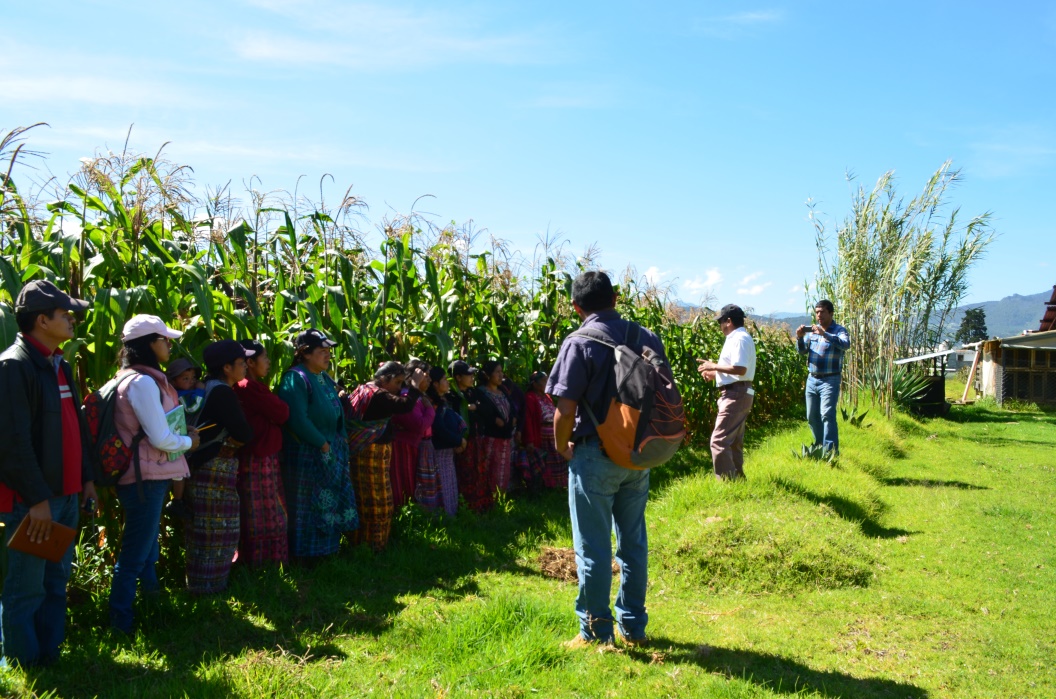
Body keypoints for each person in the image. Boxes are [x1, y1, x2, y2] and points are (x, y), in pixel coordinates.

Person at [546, 270, 664, 649]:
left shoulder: (579, 341)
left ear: (576, 307)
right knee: (633, 545)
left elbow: (565, 408)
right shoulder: (645, 336)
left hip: (594, 454)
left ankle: (596, 632)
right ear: (615, 298)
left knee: (592, 548)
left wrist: (562, 446)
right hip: (637, 454)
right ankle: (634, 626)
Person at [0, 281, 98, 666]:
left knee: (55, 582)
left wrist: (87, 480)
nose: (71, 320)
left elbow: (76, 427)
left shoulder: (58, 363)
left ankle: (49, 657)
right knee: (26, 587)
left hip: (67, 495)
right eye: (64, 314)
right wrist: (37, 500)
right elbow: (12, 443)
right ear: (42, 320)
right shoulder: (15, 366)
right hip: (36, 503)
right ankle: (24, 666)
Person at [107, 314, 197, 634]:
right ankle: (122, 624)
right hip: (146, 477)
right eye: (164, 339)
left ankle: (152, 610)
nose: (169, 344)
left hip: (143, 476)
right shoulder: (143, 383)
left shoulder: (125, 378)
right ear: (149, 344)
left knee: (146, 552)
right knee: (135, 554)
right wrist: (190, 441)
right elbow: (160, 438)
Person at [277, 329, 358, 563]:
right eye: (322, 351)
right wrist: (322, 444)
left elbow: (336, 408)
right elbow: (298, 419)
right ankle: (306, 556)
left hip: (330, 450)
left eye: (328, 351)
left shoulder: (322, 377)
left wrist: (340, 437)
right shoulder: (295, 378)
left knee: (330, 500)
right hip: (308, 452)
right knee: (309, 504)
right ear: (305, 353)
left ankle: (327, 550)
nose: (328, 356)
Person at [185, 340, 255, 594]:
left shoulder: (208, 388)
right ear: (226, 367)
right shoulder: (223, 392)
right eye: (241, 363)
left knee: (205, 530)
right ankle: (209, 588)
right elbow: (244, 432)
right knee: (217, 530)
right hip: (213, 468)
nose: (246, 366)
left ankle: (202, 586)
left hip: (201, 466)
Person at [346, 361, 427, 552]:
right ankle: (374, 546)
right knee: (378, 501)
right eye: (398, 383)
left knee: (364, 497)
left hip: (364, 452)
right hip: (373, 452)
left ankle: (360, 542)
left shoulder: (364, 388)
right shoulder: (378, 394)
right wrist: (414, 386)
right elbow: (405, 406)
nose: (399, 388)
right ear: (384, 379)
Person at [233, 340, 290, 567]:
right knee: (265, 513)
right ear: (250, 362)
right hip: (258, 457)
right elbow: (283, 412)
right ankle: (265, 563)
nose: (268, 362)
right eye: (264, 357)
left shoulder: (251, 386)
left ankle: (262, 563)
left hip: (262, 453)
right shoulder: (249, 387)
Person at [698, 304, 756, 480]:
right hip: (739, 391)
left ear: (728, 321)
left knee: (719, 440)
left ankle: (727, 482)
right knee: (734, 442)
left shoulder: (739, 338)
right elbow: (737, 372)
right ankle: (738, 479)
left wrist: (712, 365)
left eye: (721, 322)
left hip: (735, 394)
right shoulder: (738, 338)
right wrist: (715, 374)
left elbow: (740, 369)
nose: (720, 327)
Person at [796, 299, 851, 454]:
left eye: (822, 312)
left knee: (827, 414)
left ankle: (831, 451)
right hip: (812, 379)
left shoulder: (839, 330)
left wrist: (825, 334)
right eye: (817, 312)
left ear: (831, 313)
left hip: (830, 379)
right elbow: (802, 351)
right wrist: (800, 338)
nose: (819, 315)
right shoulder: (812, 331)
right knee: (811, 416)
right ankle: (819, 445)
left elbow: (845, 345)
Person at [389, 359, 434, 509]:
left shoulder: (418, 397)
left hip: (411, 446)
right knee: (404, 482)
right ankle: (404, 514)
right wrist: (430, 410)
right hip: (403, 447)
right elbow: (419, 425)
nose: (429, 379)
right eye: (425, 376)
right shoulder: (407, 396)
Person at [422, 366, 467, 516]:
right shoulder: (430, 403)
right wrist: (459, 440)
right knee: (442, 484)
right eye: (444, 380)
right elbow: (438, 429)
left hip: (447, 452)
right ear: (435, 384)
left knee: (449, 484)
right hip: (438, 452)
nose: (448, 382)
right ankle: (443, 517)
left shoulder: (442, 401)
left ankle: (451, 516)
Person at [163, 357, 204, 519]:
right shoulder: (179, 396)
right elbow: (193, 407)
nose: (191, 382)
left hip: (181, 436)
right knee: (179, 470)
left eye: (193, 378)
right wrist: (200, 391)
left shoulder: (182, 392)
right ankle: (177, 501)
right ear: (173, 381)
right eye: (185, 378)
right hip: (179, 438)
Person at [448, 360, 490, 512]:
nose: (472, 377)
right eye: (468, 375)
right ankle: (466, 506)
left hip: (477, 438)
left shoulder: (473, 392)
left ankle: (481, 505)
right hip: (462, 442)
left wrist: (476, 407)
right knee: (464, 473)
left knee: (478, 472)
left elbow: (487, 408)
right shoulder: (452, 396)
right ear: (458, 377)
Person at [475, 360, 516, 496]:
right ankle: (489, 496)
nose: (501, 375)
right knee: (490, 467)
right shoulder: (480, 392)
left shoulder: (503, 390)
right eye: (497, 372)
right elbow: (480, 412)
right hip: (490, 436)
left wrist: (513, 418)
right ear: (488, 375)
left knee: (503, 468)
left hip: (505, 436)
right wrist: (493, 420)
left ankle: (501, 495)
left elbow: (511, 407)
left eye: (501, 372)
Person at [522, 370, 566, 490]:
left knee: (557, 459)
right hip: (542, 435)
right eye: (544, 381)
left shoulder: (547, 397)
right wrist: (529, 440)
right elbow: (528, 421)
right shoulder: (530, 398)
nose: (547, 384)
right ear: (535, 384)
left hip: (553, 433)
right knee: (546, 461)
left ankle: (559, 484)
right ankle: (548, 486)